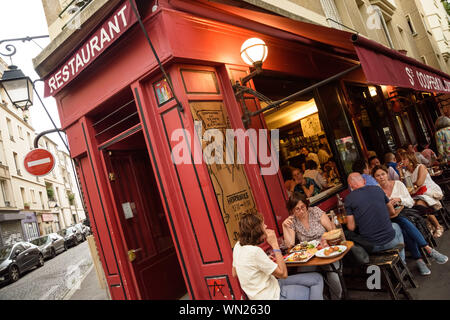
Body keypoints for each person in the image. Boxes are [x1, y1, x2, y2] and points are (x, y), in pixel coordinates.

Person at [372, 165, 448, 275]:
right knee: (402, 223)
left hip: (406, 212)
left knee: (404, 227)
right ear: (374, 178)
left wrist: (399, 199)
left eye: (383, 174)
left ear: (387, 174)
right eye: (377, 176)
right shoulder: (376, 191)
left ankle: (419, 260)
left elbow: (410, 202)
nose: (381, 177)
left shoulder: (398, 184)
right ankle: (428, 249)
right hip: (390, 218)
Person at [232, 212, 324, 300]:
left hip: (273, 284)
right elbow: (283, 274)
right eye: (263, 225)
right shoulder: (255, 252)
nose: (266, 226)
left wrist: (260, 263)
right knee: (312, 290)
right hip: (273, 296)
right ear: (257, 230)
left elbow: (235, 272)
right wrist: (275, 244)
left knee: (317, 278)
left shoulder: (238, 245)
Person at [282, 192, 342, 299]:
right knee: (303, 277)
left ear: (306, 205)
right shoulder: (292, 220)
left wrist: (325, 240)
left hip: (325, 250)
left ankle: (336, 297)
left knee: (333, 275)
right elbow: (290, 244)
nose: (301, 211)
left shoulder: (316, 212)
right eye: (297, 209)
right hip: (308, 256)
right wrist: (284, 226)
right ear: (292, 210)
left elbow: (331, 230)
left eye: (303, 207)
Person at [344, 173, 406, 262]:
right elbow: (392, 211)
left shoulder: (349, 199)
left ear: (350, 185)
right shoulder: (378, 189)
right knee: (396, 225)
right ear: (364, 181)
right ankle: (402, 261)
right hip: (391, 241)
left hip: (372, 246)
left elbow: (351, 227)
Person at [402, 153, 445, 237]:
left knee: (419, 203)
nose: (401, 162)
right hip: (417, 193)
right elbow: (406, 186)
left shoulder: (420, 167)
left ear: (410, 159)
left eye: (404, 159)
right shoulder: (406, 172)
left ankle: (437, 225)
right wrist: (400, 172)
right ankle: (429, 223)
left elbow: (419, 183)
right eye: (400, 160)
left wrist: (412, 186)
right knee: (411, 204)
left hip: (429, 190)